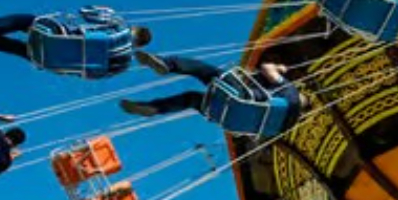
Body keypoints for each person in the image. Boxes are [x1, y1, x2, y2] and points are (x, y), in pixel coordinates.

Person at [0, 8, 151, 76]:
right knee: (15, 47)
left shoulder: (119, 27)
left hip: (57, 38)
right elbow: (94, 76)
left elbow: (87, 11)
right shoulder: (123, 64)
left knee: (23, 20)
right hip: (55, 62)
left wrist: (114, 16)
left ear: (133, 30)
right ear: (139, 45)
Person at [120, 53, 299, 121]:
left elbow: (267, 69)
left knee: (203, 70)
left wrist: (278, 68)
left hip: (241, 97)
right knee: (192, 99)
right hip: (229, 117)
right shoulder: (283, 118)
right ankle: (154, 108)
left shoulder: (290, 93)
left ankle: (168, 64)